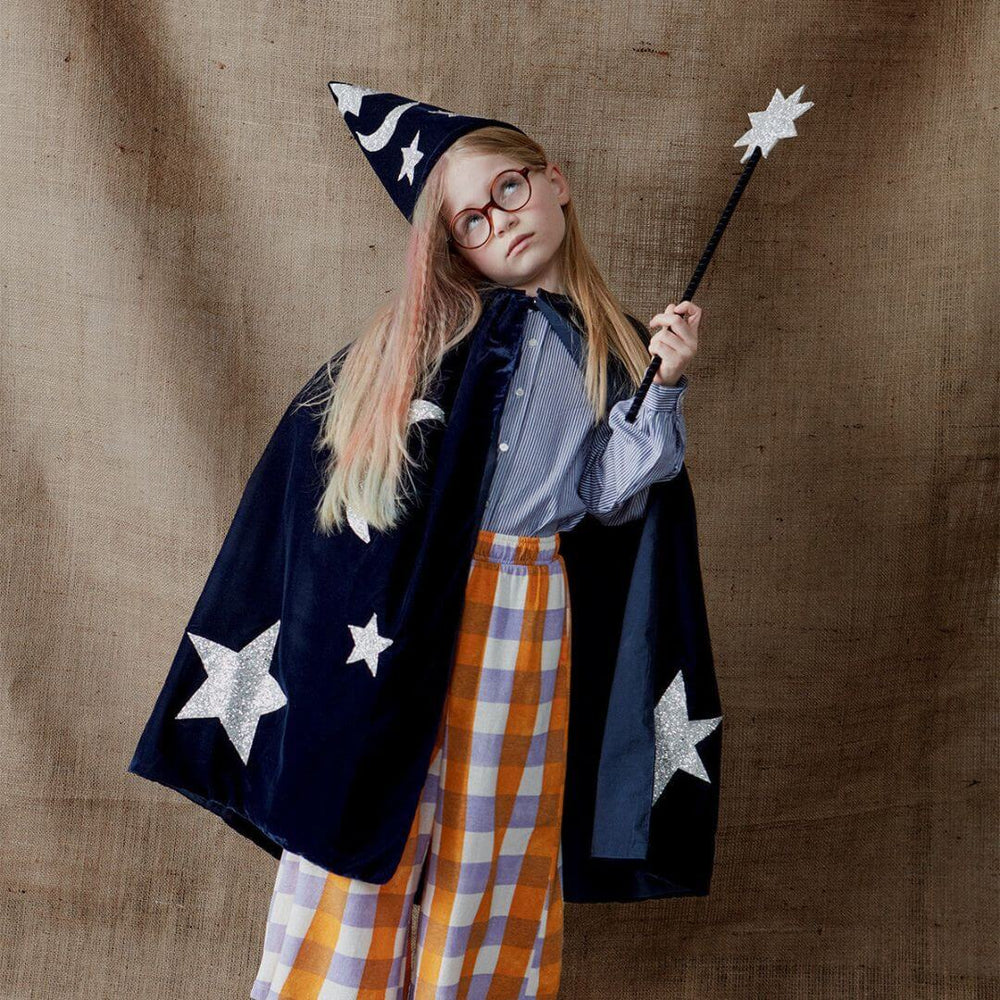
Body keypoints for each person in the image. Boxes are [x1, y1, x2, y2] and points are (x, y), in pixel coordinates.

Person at [127, 83, 722, 1000]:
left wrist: (666, 380)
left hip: (528, 616)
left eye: (511, 191)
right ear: (455, 252)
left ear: (555, 182)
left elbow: (605, 492)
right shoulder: (445, 348)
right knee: (374, 816)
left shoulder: (602, 348)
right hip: (414, 617)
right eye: (473, 223)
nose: (501, 223)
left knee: (489, 835)